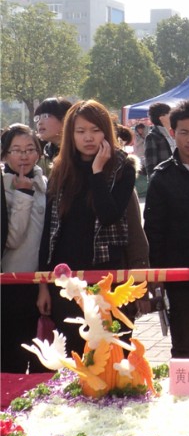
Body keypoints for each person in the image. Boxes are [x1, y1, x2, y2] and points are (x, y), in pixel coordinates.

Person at [37, 100, 140, 357]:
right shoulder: (61, 167)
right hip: (66, 278)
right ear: (70, 134)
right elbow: (49, 230)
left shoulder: (123, 166)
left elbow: (109, 216)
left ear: (107, 131)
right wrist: (43, 283)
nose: (88, 137)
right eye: (80, 131)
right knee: (74, 353)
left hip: (106, 277)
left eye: (95, 130)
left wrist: (96, 173)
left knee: (110, 354)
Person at [144, 100, 189, 359]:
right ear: (172, 133)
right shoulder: (162, 177)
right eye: (184, 132)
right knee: (183, 344)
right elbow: (154, 229)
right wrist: (155, 273)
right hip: (180, 271)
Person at [2, 124, 48, 372]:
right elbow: (12, 239)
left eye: (30, 149)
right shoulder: (4, 188)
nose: (24, 156)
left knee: (44, 360)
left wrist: (44, 283)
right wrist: (22, 194)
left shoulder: (46, 184)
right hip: (12, 283)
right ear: (5, 154)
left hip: (43, 281)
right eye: (16, 150)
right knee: (14, 357)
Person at [34, 97, 73, 176]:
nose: (39, 122)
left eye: (46, 116)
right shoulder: (42, 152)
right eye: (38, 118)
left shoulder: (78, 152)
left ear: (65, 119)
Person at [144, 102, 174, 177]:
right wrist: (153, 181)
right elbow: (151, 165)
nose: (172, 116)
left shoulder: (175, 132)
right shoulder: (152, 136)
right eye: (169, 113)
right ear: (161, 117)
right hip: (164, 179)